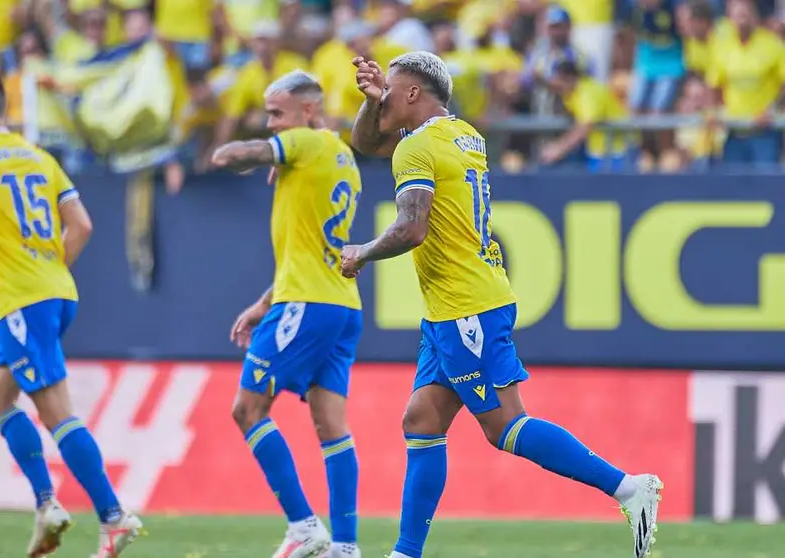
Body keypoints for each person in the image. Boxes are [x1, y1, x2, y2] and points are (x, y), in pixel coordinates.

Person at [343, 52, 663, 558]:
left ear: (411, 95)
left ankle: (629, 488)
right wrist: (373, 101)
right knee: (422, 419)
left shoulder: (416, 150)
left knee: (504, 426)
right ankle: (405, 553)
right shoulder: (463, 134)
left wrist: (362, 252)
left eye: (391, 92)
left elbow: (411, 227)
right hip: (456, 302)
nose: (382, 102)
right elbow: (366, 139)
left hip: (463, 306)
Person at [0, 71, 142, 558]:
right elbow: (83, 226)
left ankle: (114, 517)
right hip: (57, 291)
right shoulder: (39, 156)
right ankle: (46, 504)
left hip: (23, 301)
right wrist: (46, 269)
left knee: (55, 413)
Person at [211, 70, 363, 558]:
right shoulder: (341, 157)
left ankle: (303, 526)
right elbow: (311, 248)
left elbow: (240, 155)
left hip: (307, 303)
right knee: (330, 423)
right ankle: (344, 546)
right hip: (341, 304)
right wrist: (263, 303)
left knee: (247, 409)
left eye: (277, 113)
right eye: (268, 115)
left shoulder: (306, 145)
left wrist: (227, 151)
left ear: (309, 110)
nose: (271, 123)